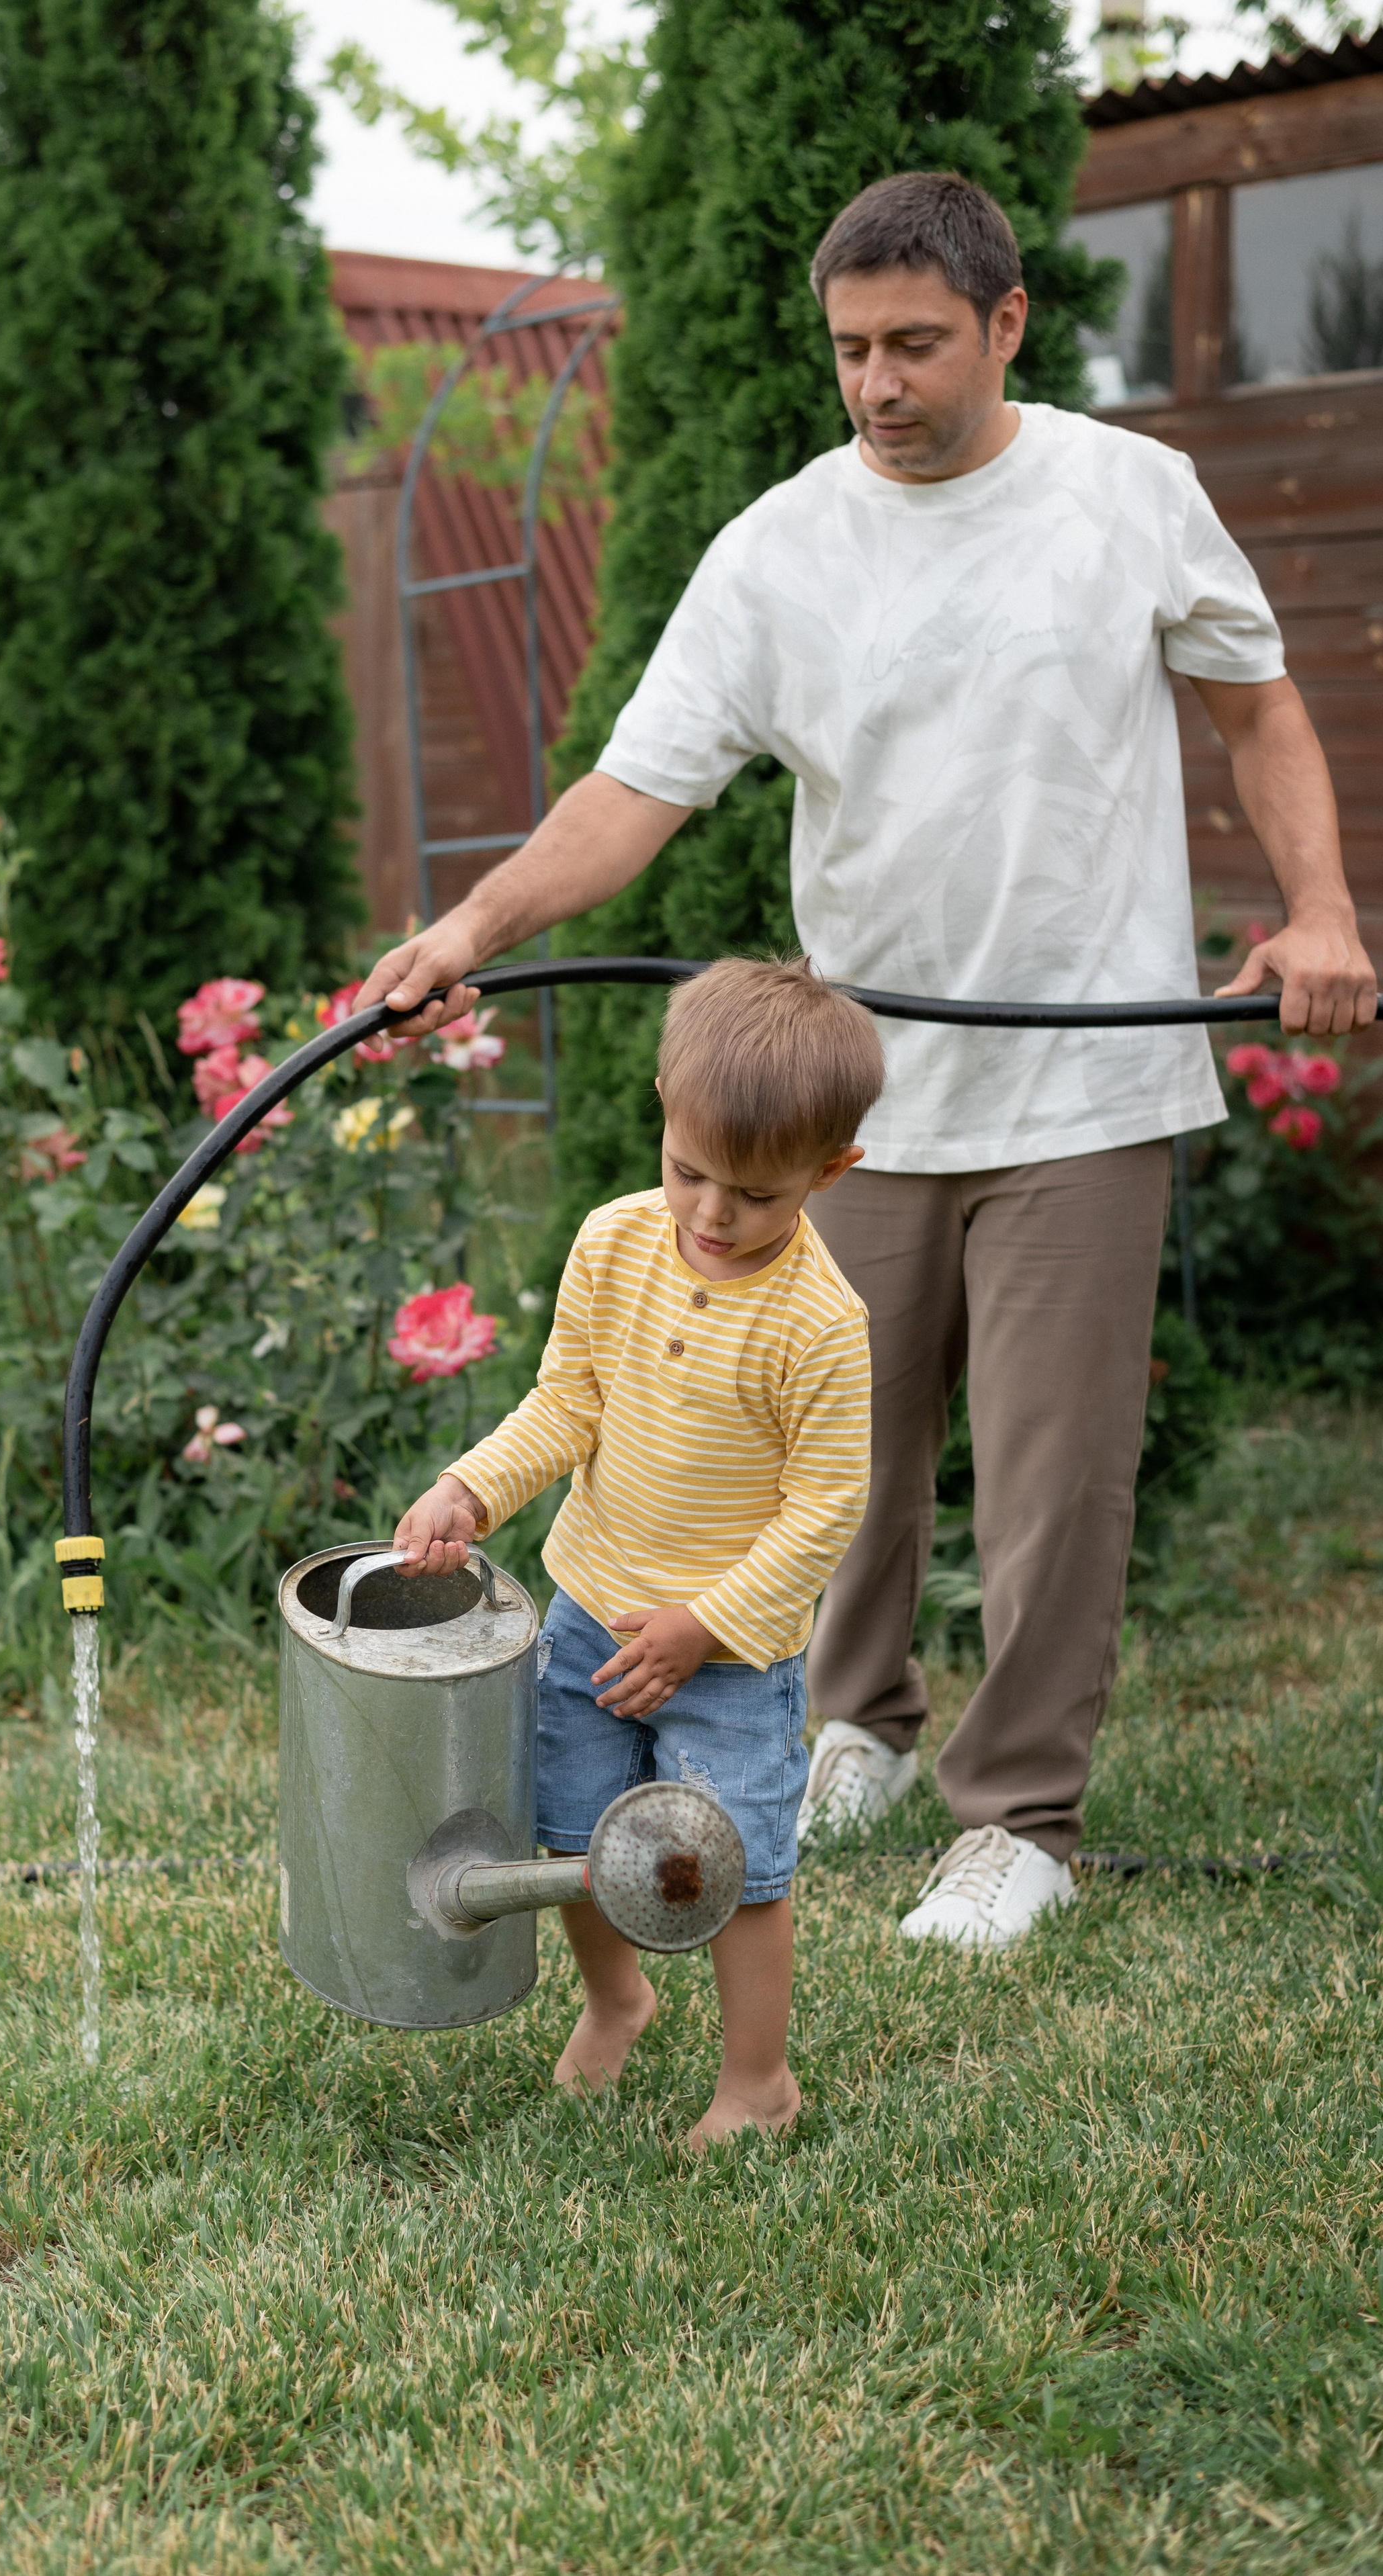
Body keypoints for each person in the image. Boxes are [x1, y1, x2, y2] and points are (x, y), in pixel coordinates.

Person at [363, 171, 1378, 1952]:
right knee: (824, 1447)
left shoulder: (1128, 498)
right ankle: (861, 1726)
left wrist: (1319, 911)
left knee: (1056, 1473)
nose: (879, 383)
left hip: (1083, 1088)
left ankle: (1020, 1817)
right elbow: (633, 795)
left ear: (1004, 326)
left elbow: (1259, 704)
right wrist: (467, 934)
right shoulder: (778, 549)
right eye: (851, 350)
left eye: (916, 344)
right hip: (853, 1109)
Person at [394, 959, 883, 2145]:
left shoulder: (822, 1327)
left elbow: (825, 1509)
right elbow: (568, 1406)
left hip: (725, 1658)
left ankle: (759, 2083)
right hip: (591, 1618)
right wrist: (473, 1488)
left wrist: (702, 1626)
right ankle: (619, 1998)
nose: (713, 1216)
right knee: (572, 1828)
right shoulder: (614, 1246)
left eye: (759, 1197)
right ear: (663, 1105)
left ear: (831, 1174)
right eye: (689, 1174)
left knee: (734, 1865)